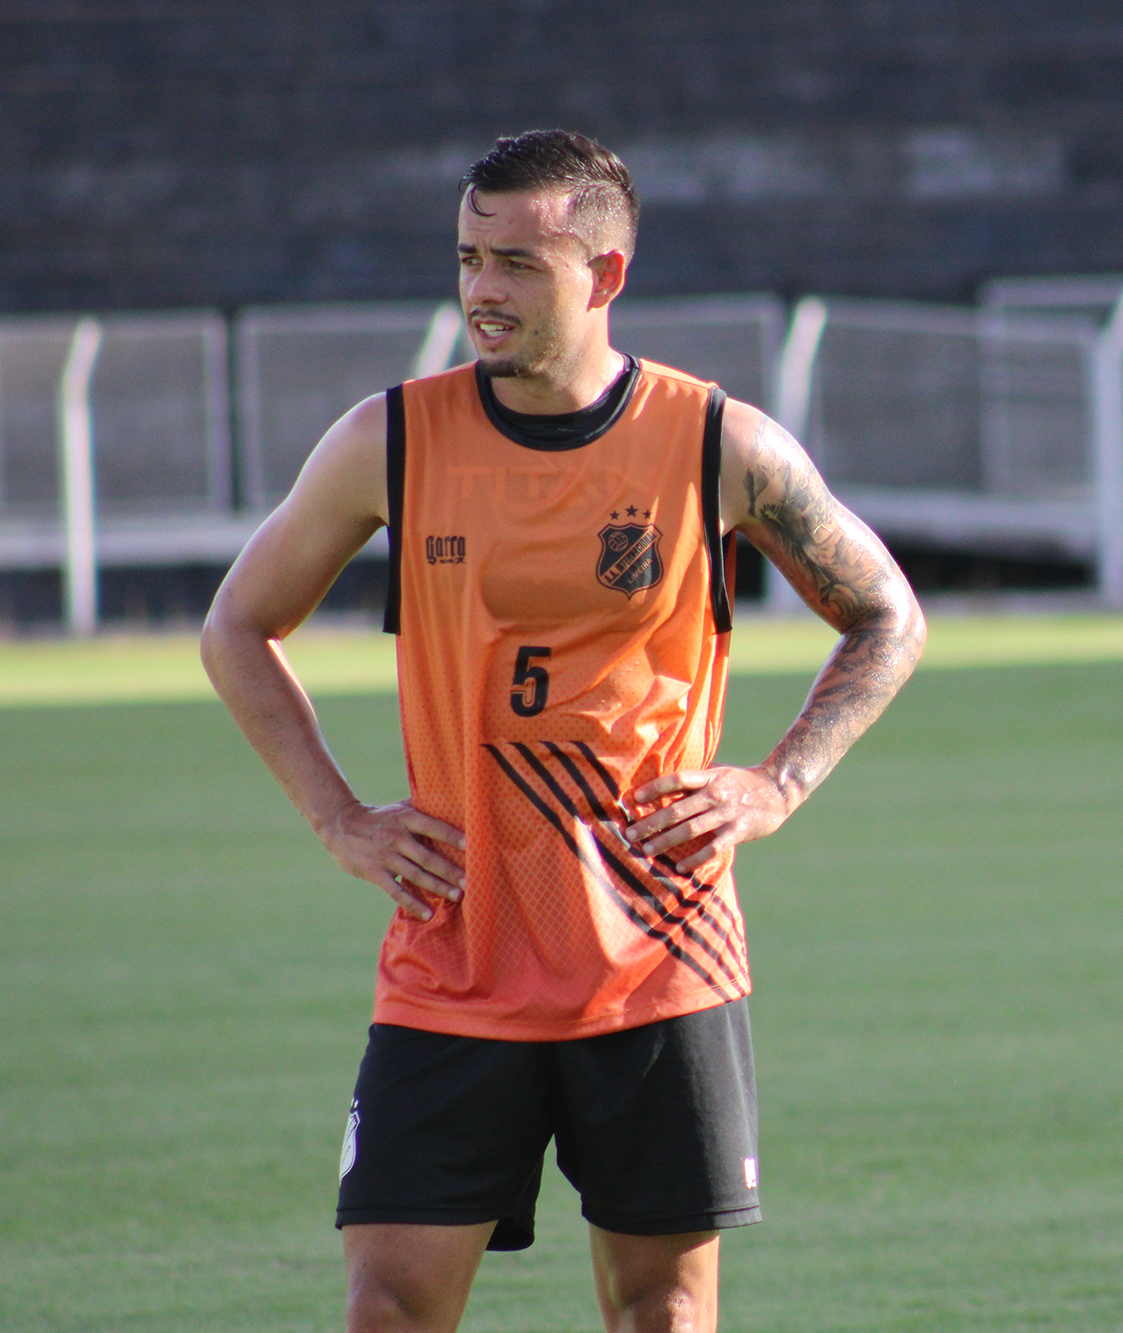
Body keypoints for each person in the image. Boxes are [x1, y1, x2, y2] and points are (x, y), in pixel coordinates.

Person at [202, 129, 926, 1333]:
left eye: (518, 266)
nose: (482, 291)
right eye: (468, 259)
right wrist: (338, 816)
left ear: (606, 274)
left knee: (661, 1313)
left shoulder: (716, 444)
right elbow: (239, 625)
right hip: (454, 954)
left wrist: (779, 782)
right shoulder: (390, 438)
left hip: (657, 960)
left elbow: (885, 616)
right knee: (386, 1308)